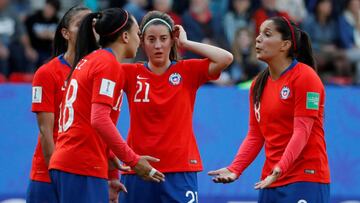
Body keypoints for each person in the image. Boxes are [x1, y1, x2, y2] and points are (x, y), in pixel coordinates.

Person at [208, 16, 330, 203]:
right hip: (270, 180)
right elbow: (256, 135)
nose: (258, 39)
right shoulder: (258, 84)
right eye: (258, 33)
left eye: (267, 34)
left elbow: (302, 131)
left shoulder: (306, 77)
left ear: (285, 45)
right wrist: (235, 168)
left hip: (305, 178)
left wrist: (280, 167)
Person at [48, 8, 165, 203]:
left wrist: (111, 173)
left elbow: (85, 117)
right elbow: (99, 119)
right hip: (81, 166)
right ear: (125, 36)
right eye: (138, 34)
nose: (140, 41)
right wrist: (133, 160)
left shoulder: (89, 60)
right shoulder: (107, 64)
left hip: (73, 163)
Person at [119, 11, 233, 203]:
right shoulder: (129, 73)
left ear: (172, 40)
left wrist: (186, 44)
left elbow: (226, 58)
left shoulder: (187, 70)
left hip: (180, 169)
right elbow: (99, 67)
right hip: (139, 168)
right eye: (151, 39)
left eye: (164, 39)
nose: (157, 45)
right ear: (142, 41)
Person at [27, 5, 91, 203]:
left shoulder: (101, 71)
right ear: (65, 33)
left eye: (92, 25)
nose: (88, 29)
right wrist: (59, 176)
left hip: (86, 172)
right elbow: (46, 131)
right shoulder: (47, 73)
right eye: (81, 24)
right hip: (49, 175)